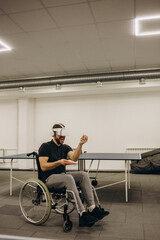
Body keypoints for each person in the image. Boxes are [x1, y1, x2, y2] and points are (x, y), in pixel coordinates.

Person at [39, 123, 109, 227]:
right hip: (49, 178)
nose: (63, 137)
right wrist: (59, 162)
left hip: (62, 176)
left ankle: (91, 208)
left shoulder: (65, 147)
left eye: (64, 135)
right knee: (68, 177)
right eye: (60, 135)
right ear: (54, 134)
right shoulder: (45, 146)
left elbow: (74, 158)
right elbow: (43, 166)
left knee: (83, 174)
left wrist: (80, 144)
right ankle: (82, 213)